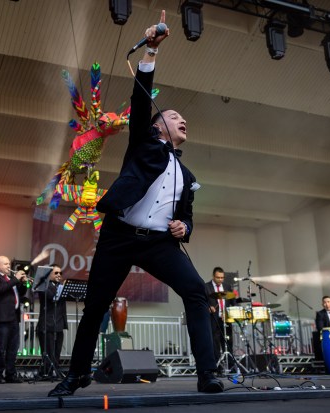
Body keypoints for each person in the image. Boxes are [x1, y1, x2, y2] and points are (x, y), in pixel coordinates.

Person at [49, 11, 223, 397]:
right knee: (96, 303)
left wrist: (185, 228)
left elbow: (187, 218)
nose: (182, 121)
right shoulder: (144, 143)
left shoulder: (188, 176)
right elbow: (140, 102)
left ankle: (207, 373)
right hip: (120, 235)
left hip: (159, 243)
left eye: (184, 120)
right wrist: (150, 53)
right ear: (158, 126)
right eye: (175, 116)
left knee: (196, 292)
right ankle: (75, 375)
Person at [0, 255, 29, 384]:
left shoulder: (11, 279)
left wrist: (23, 282)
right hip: (2, 319)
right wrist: (15, 279)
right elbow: (1, 289)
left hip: (14, 318)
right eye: (5, 264)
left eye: (9, 264)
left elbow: (21, 293)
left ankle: (11, 375)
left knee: (13, 348)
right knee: (1, 349)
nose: (8, 266)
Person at [36, 264, 68, 379]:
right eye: (56, 273)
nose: (59, 275)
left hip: (59, 323)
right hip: (47, 323)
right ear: (49, 274)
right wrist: (61, 288)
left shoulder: (60, 286)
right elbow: (51, 296)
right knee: (49, 351)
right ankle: (47, 372)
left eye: (60, 273)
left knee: (57, 351)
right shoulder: (44, 285)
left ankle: (56, 371)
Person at [205, 267, 236, 374]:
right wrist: (208, 307)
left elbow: (233, 302)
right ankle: (218, 367)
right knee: (215, 343)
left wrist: (231, 313)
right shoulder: (207, 287)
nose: (220, 280)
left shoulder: (227, 287)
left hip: (226, 319)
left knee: (228, 342)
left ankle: (231, 366)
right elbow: (203, 301)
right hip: (214, 319)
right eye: (218, 277)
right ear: (213, 276)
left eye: (222, 278)